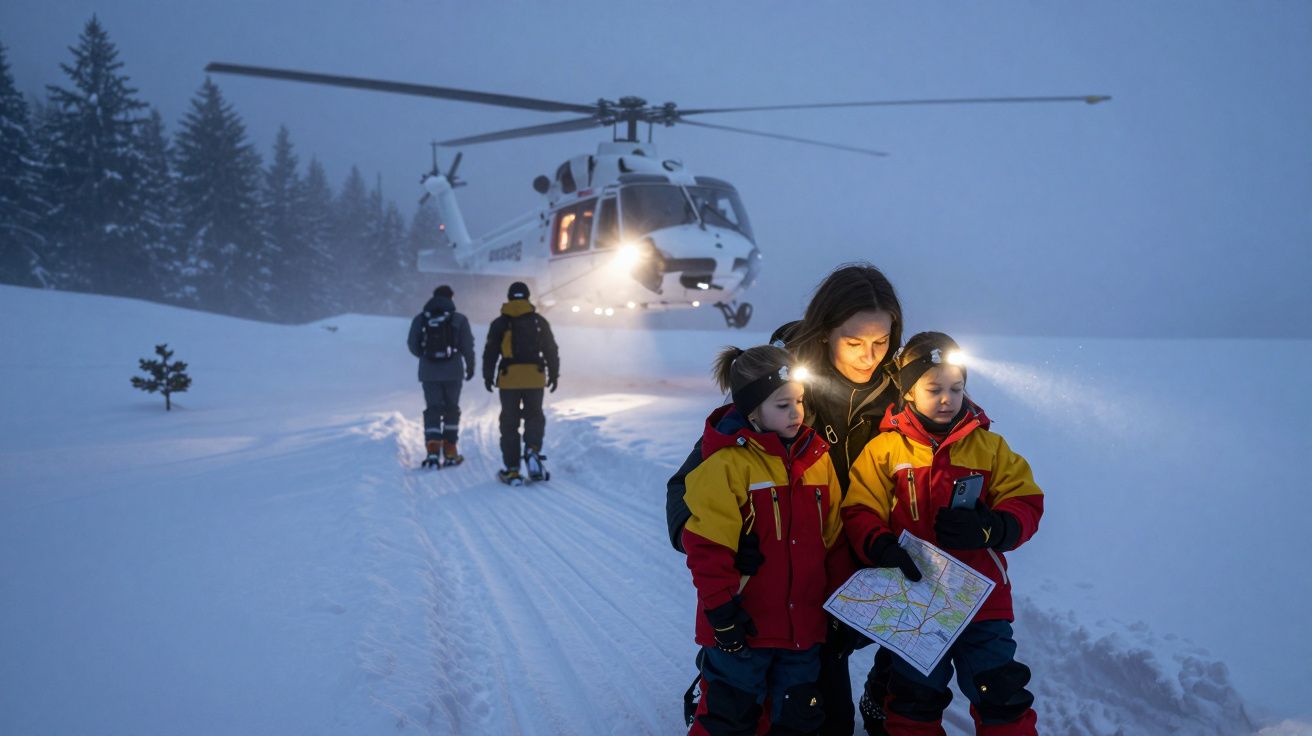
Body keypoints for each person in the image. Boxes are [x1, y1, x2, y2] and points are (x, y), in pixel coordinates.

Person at [668, 263, 905, 736]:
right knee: (792, 715)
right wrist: (726, 546)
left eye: (881, 342)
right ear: (825, 331)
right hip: (782, 564)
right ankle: (722, 677)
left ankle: (889, 690)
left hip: (854, 547)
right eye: (854, 342)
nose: (869, 357)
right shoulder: (780, 385)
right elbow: (691, 482)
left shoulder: (905, 388)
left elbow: (957, 436)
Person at [842, 332, 1044, 735]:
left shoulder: (989, 447)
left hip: (980, 599)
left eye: (956, 388)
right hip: (915, 601)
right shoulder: (885, 450)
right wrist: (880, 546)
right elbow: (860, 509)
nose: (947, 398)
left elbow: (1025, 500)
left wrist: (992, 528)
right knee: (914, 698)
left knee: (1000, 691)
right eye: (934, 389)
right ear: (909, 392)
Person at [683, 344, 850, 736]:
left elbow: (834, 541)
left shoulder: (817, 460)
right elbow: (708, 548)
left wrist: (841, 607)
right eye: (782, 405)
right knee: (730, 717)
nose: (796, 413)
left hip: (803, 630)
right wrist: (722, 613)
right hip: (744, 630)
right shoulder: (726, 465)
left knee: (797, 720)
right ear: (753, 411)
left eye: (800, 401)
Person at [482, 281, 560, 485]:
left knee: (509, 423)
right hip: (534, 377)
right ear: (527, 297)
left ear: (509, 297)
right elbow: (551, 349)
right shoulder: (539, 321)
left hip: (509, 379)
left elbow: (490, 352)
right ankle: (532, 450)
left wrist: (487, 375)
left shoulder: (499, 323)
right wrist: (554, 374)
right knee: (534, 416)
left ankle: (512, 469)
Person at [407, 284, 476, 468]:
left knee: (433, 409)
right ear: (451, 298)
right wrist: (470, 366)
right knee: (451, 409)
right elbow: (467, 346)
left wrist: (425, 356)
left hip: (429, 373)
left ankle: (432, 451)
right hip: (453, 372)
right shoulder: (459, 319)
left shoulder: (421, 319)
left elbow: (412, 344)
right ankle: (450, 450)